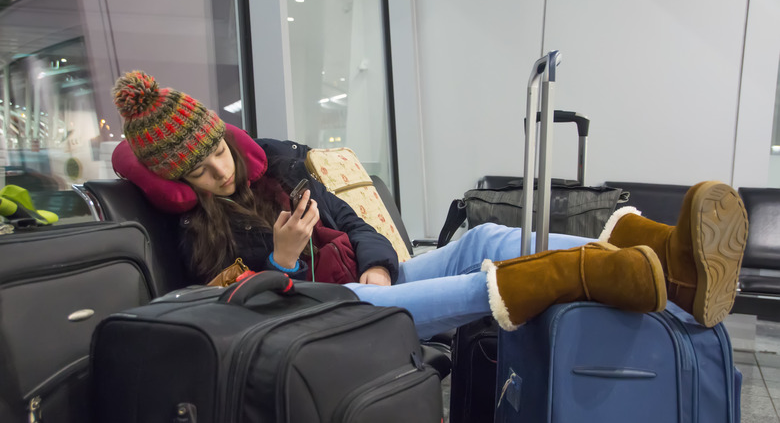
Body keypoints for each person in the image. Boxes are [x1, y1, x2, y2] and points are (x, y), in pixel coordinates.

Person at [111, 71, 749, 338]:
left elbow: (354, 222)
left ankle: (669, 257)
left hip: (362, 283)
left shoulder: (275, 171)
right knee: (477, 282)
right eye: (200, 169)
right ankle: (608, 273)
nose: (220, 170)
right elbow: (244, 309)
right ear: (179, 181)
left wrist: (379, 263)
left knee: (483, 240)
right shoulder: (196, 231)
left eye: (218, 150)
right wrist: (284, 261)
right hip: (317, 310)